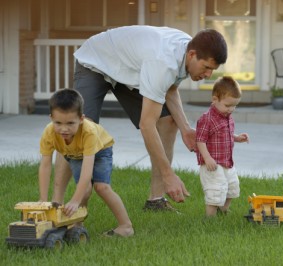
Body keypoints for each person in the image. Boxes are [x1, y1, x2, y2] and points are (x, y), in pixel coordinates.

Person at [52, 25, 228, 212]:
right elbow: (146, 125)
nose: (208, 75)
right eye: (207, 67)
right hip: (97, 60)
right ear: (192, 55)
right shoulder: (163, 62)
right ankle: (55, 204)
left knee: (168, 121)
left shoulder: (185, 50)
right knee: (75, 130)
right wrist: (169, 174)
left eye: (213, 70)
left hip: (128, 70)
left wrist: (185, 129)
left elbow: (169, 88)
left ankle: (156, 200)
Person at [39, 89, 134, 237]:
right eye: (58, 123)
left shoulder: (88, 132)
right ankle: (77, 224)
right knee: (85, 189)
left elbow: (87, 168)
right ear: (51, 118)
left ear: (81, 119)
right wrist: (43, 200)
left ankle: (126, 226)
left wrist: (75, 201)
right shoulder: (49, 132)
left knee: (101, 187)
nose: (64, 129)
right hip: (75, 155)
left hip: (101, 150)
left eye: (70, 123)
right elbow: (45, 165)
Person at [195, 76, 249, 217]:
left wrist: (237, 138)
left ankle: (223, 210)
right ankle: (210, 218)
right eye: (227, 105)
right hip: (212, 163)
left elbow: (227, 134)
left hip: (227, 162)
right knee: (215, 190)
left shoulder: (227, 116)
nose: (231, 109)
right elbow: (200, 140)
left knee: (232, 186)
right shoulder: (207, 119)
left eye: (234, 106)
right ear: (215, 99)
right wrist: (207, 158)